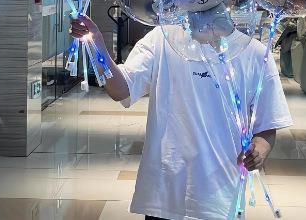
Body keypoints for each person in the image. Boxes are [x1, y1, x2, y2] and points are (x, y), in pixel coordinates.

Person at [70, 15, 293, 220]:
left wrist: (259, 150)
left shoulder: (255, 53)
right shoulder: (162, 39)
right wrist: (96, 43)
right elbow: (121, 89)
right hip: (163, 193)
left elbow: (267, 124)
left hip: (221, 196)